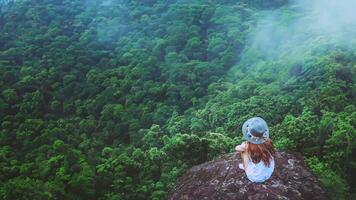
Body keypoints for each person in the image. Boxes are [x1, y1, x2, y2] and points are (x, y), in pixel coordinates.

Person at [235, 117, 276, 183]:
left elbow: (237, 148)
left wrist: (244, 146)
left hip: (256, 177)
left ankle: (246, 167)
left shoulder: (248, 146)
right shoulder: (268, 142)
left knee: (244, 152)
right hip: (268, 173)